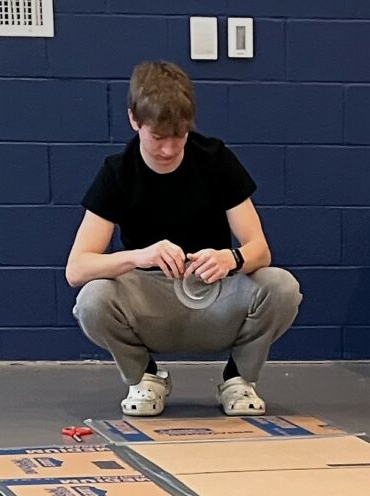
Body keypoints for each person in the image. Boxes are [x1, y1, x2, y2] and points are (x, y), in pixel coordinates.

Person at [68, 60, 302, 418]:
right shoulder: (117, 172)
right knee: (93, 298)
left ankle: (238, 378)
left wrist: (231, 258)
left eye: (179, 137)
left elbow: (260, 250)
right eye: (158, 137)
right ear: (135, 120)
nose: (168, 149)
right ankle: (145, 377)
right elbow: (77, 268)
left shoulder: (216, 159)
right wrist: (139, 256)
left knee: (281, 286)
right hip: (151, 301)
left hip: (214, 297)